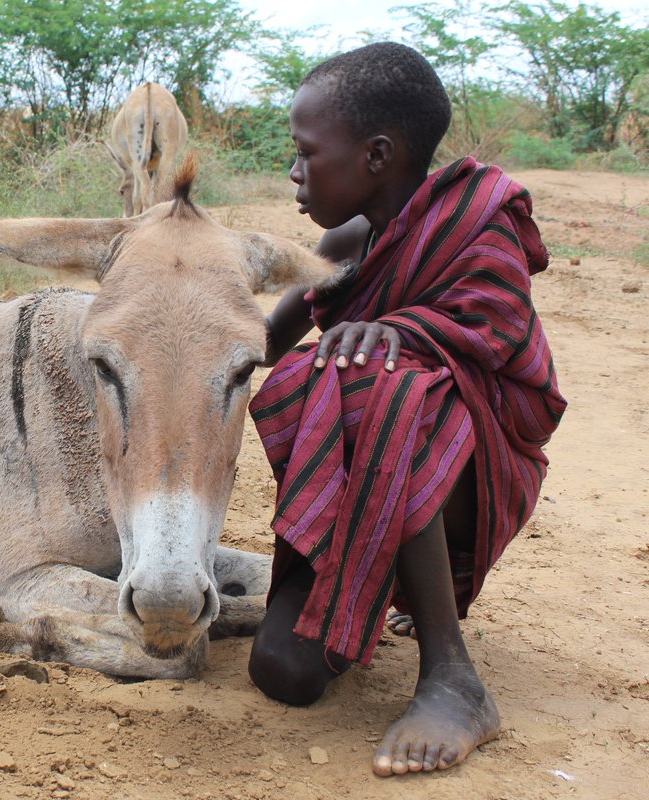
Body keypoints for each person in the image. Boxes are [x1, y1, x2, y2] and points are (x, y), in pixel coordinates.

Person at [246, 41, 566, 776]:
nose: (294, 172)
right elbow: (264, 346)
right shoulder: (348, 242)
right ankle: (369, 575)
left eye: (305, 152)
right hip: (367, 482)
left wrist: (396, 332)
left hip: (473, 469)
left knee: (371, 374)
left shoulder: (479, 222)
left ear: (378, 154)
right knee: (284, 671)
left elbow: (499, 337)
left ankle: (452, 676)